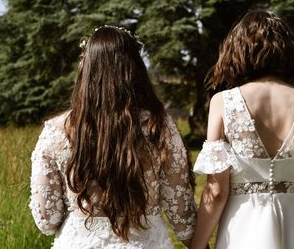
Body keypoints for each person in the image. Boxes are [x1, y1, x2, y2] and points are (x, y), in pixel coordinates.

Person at [190, 10, 294, 249]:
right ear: (290, 51)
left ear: (238, 50)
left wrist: (197, 245)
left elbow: (216, 190)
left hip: (243, 227)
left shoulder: (223, 102)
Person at [29, 25, 196, 248]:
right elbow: (181, 215)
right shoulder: (159, 126)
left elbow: (46, 220)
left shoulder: (57, 131)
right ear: (136, 71)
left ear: (86, 70)